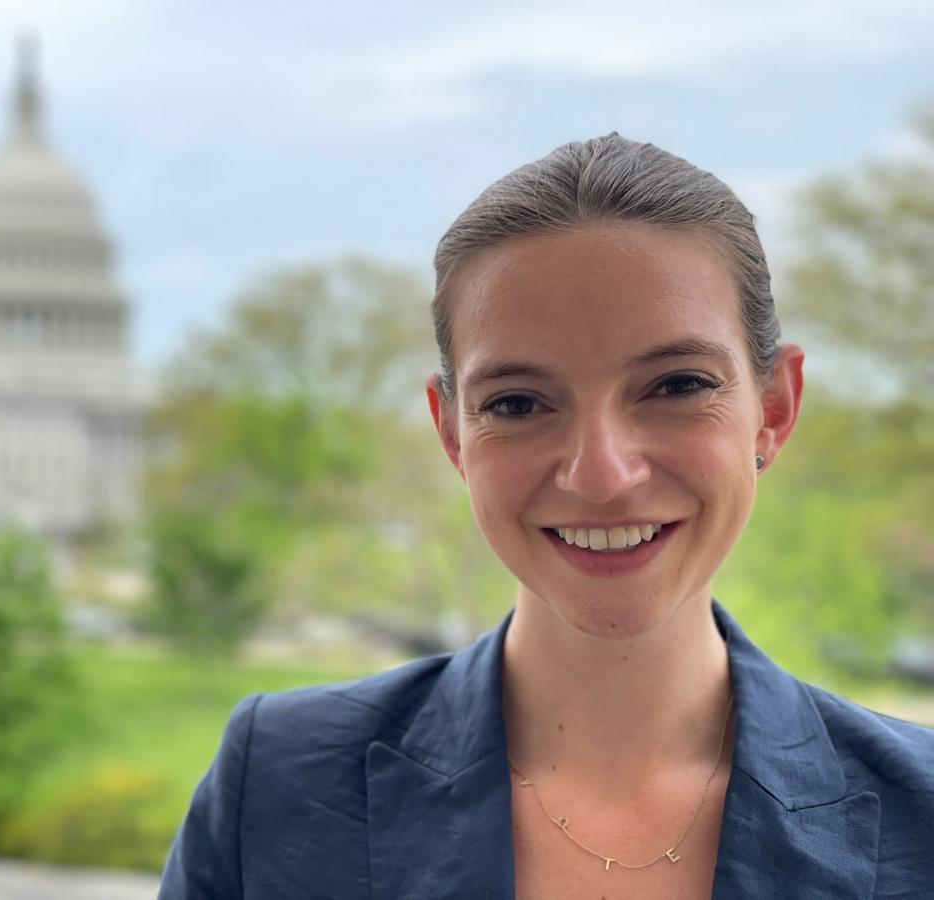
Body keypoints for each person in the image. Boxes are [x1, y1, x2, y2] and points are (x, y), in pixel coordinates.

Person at [159, 133, 934, 899]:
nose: (601, 475)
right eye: (519, 403)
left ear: (773, 407)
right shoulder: (276, 787)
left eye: (675, 385)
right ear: (452, 430)